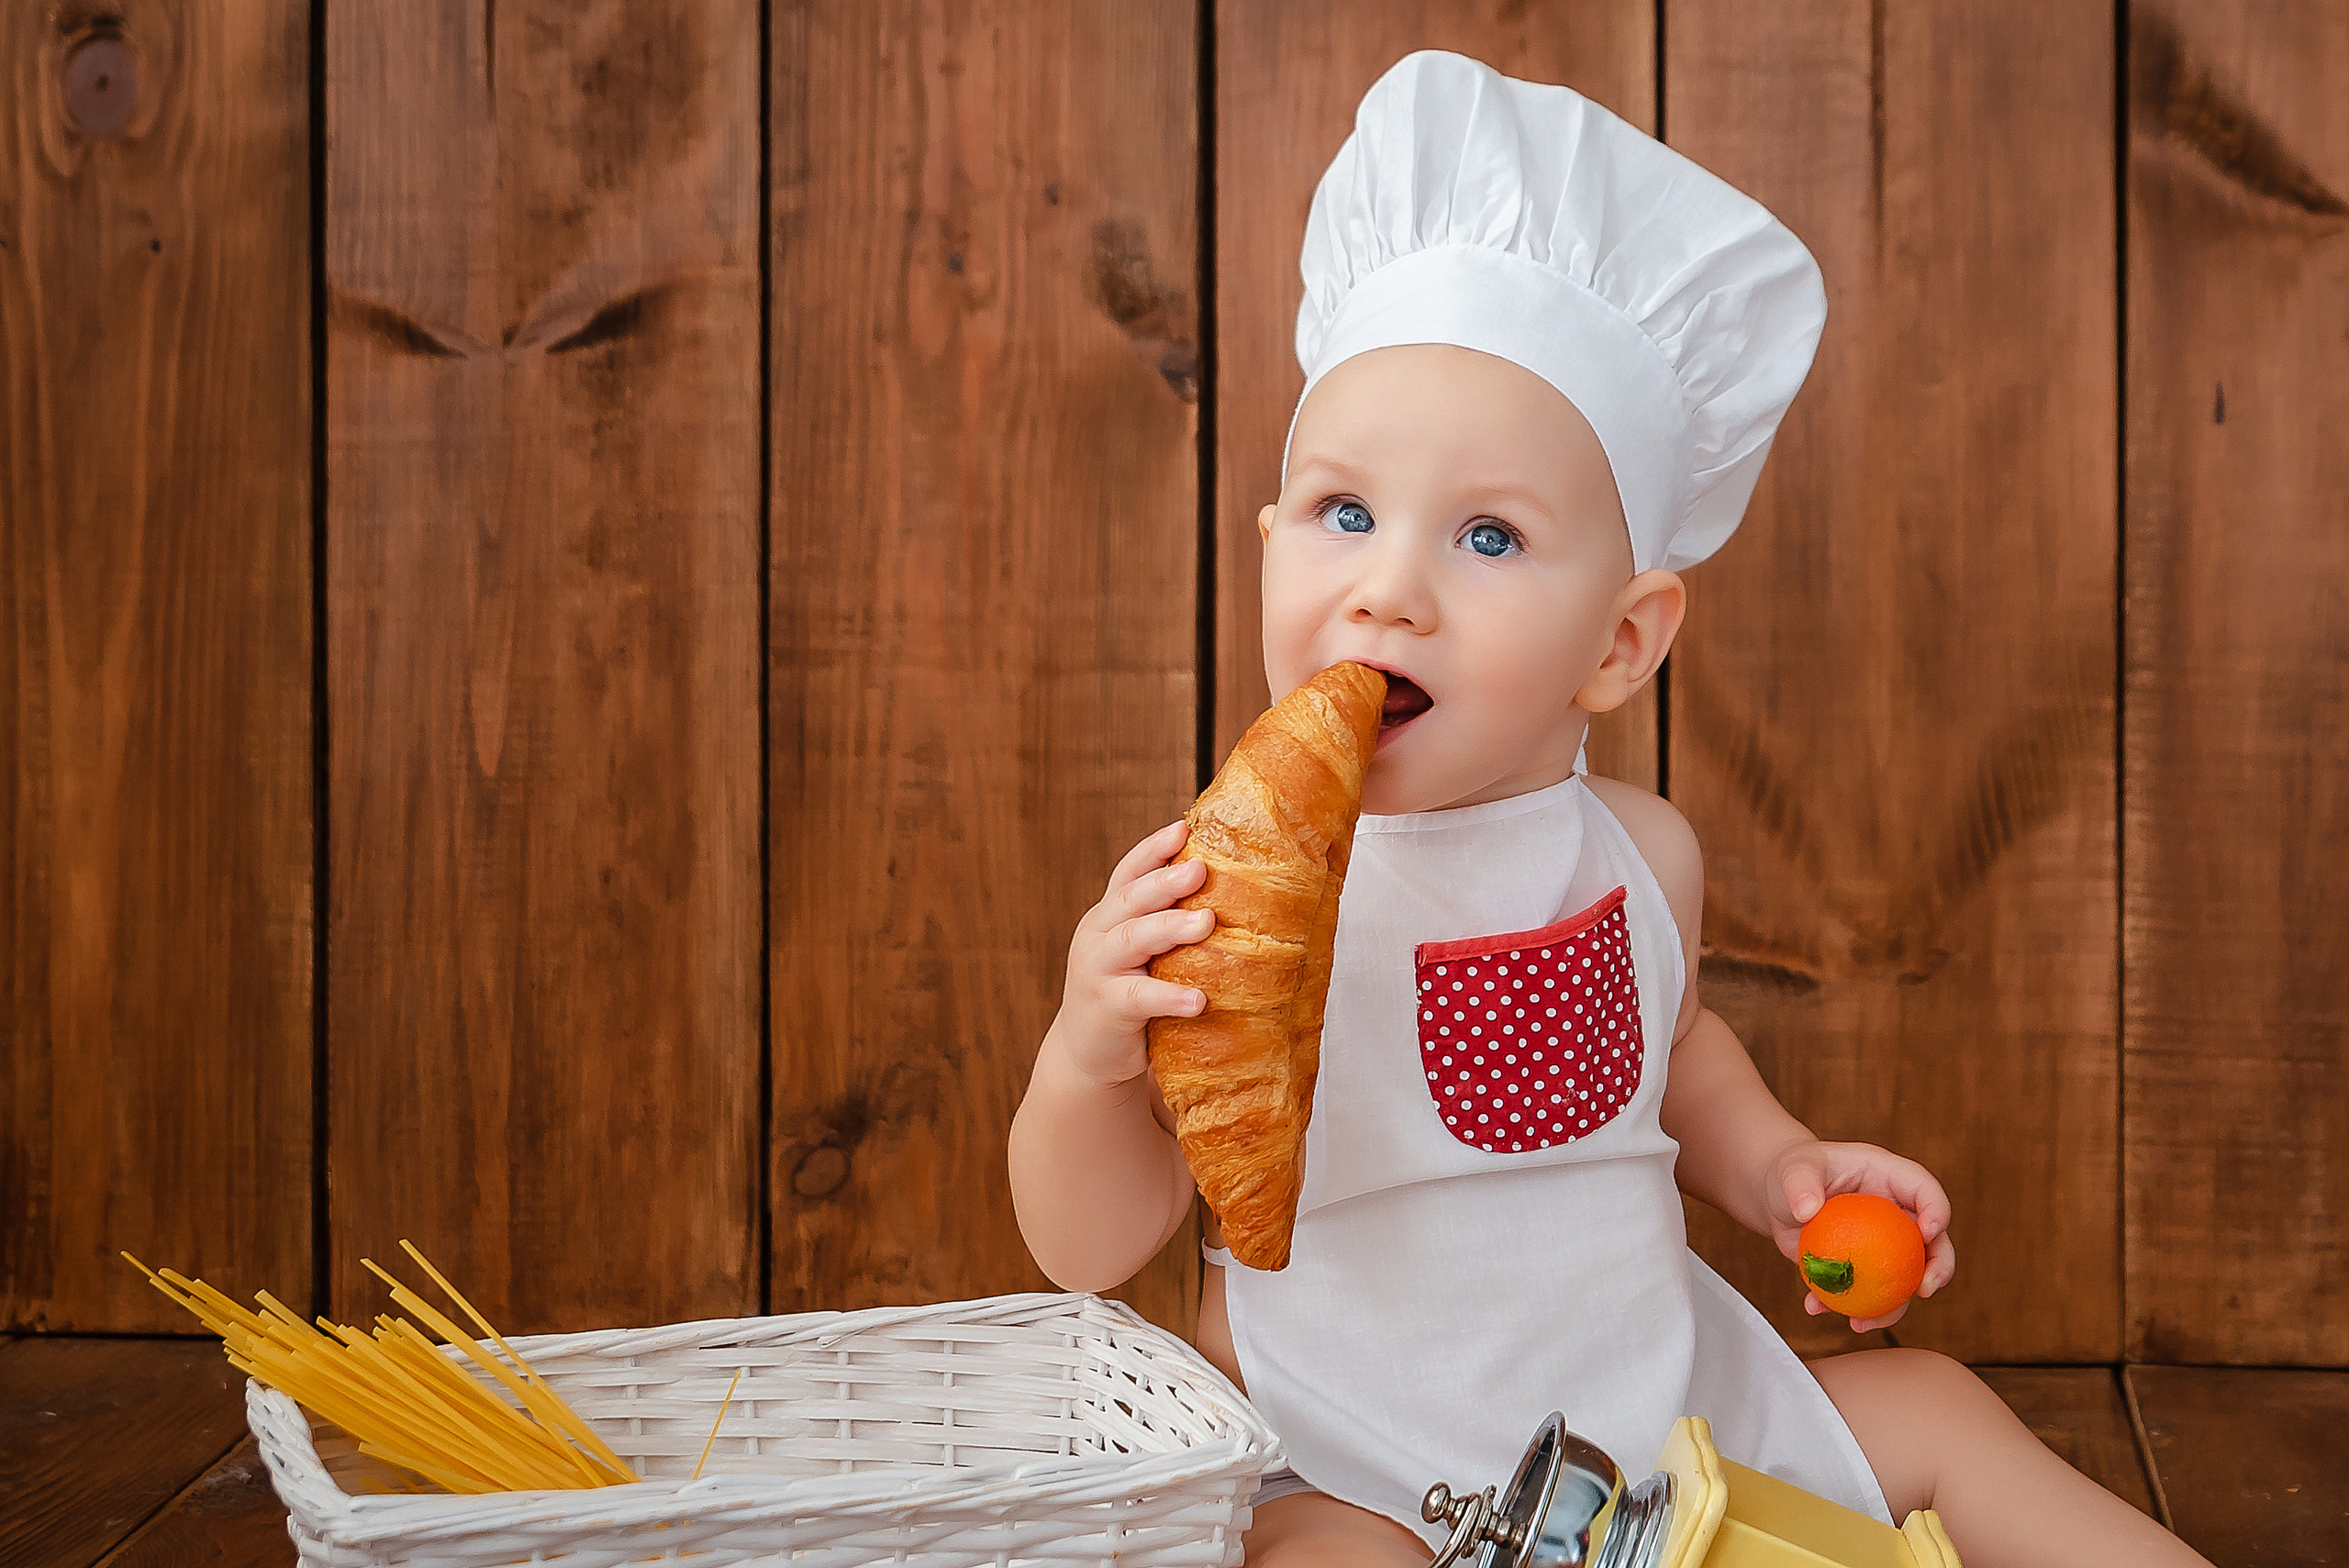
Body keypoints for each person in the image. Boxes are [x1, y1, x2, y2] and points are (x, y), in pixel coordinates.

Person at [1008, 50, 2206, 1568]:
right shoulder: (1213, 895)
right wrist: (1087, 1053)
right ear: (1268, 544)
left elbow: (1675, 1051)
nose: (1390, 586)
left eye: (1490, 534)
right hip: (1354, 1453)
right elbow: (1087, 1244)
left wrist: (1780, 1165)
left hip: (1650, 1424)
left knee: (1937, 1408)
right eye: (1345, 513)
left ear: (1621, 642)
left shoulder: (1643, 856)